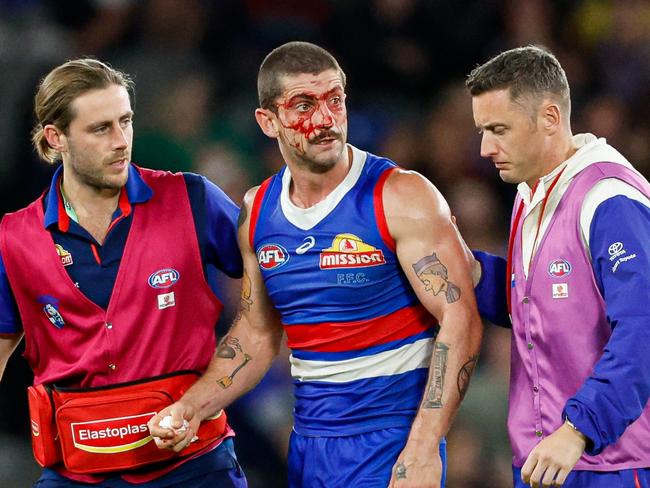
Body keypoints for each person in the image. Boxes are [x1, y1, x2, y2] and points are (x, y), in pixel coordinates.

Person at [149, 41, 484, 488]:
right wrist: (192, 407)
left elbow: (460, 319)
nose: (326, 120)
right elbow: (256, 333)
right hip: (310, 445)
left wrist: (423, 448)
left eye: (335, 101)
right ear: (267, 121)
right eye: (304, 105)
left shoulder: (401, 196)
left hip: (391, 441)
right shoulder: (258, 213)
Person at [0, 58, 247, 487]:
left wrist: (210, 391)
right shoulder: (15, 238)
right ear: (56, 137)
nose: (121, 141)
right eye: (101, 129)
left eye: (125, 121)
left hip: (196, 467)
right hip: (75, 474)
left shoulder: (191, 200)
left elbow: (275, 292)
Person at [466, 45, 650, 488]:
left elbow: (644, 327)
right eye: (482, 131)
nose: (485, 148)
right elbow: (542, 309)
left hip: (612, 463)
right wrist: (468, 271)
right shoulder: (533, 190)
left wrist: (579, 430)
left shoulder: (610, 199)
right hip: (544, 460)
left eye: (498, 129)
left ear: (549, 118)